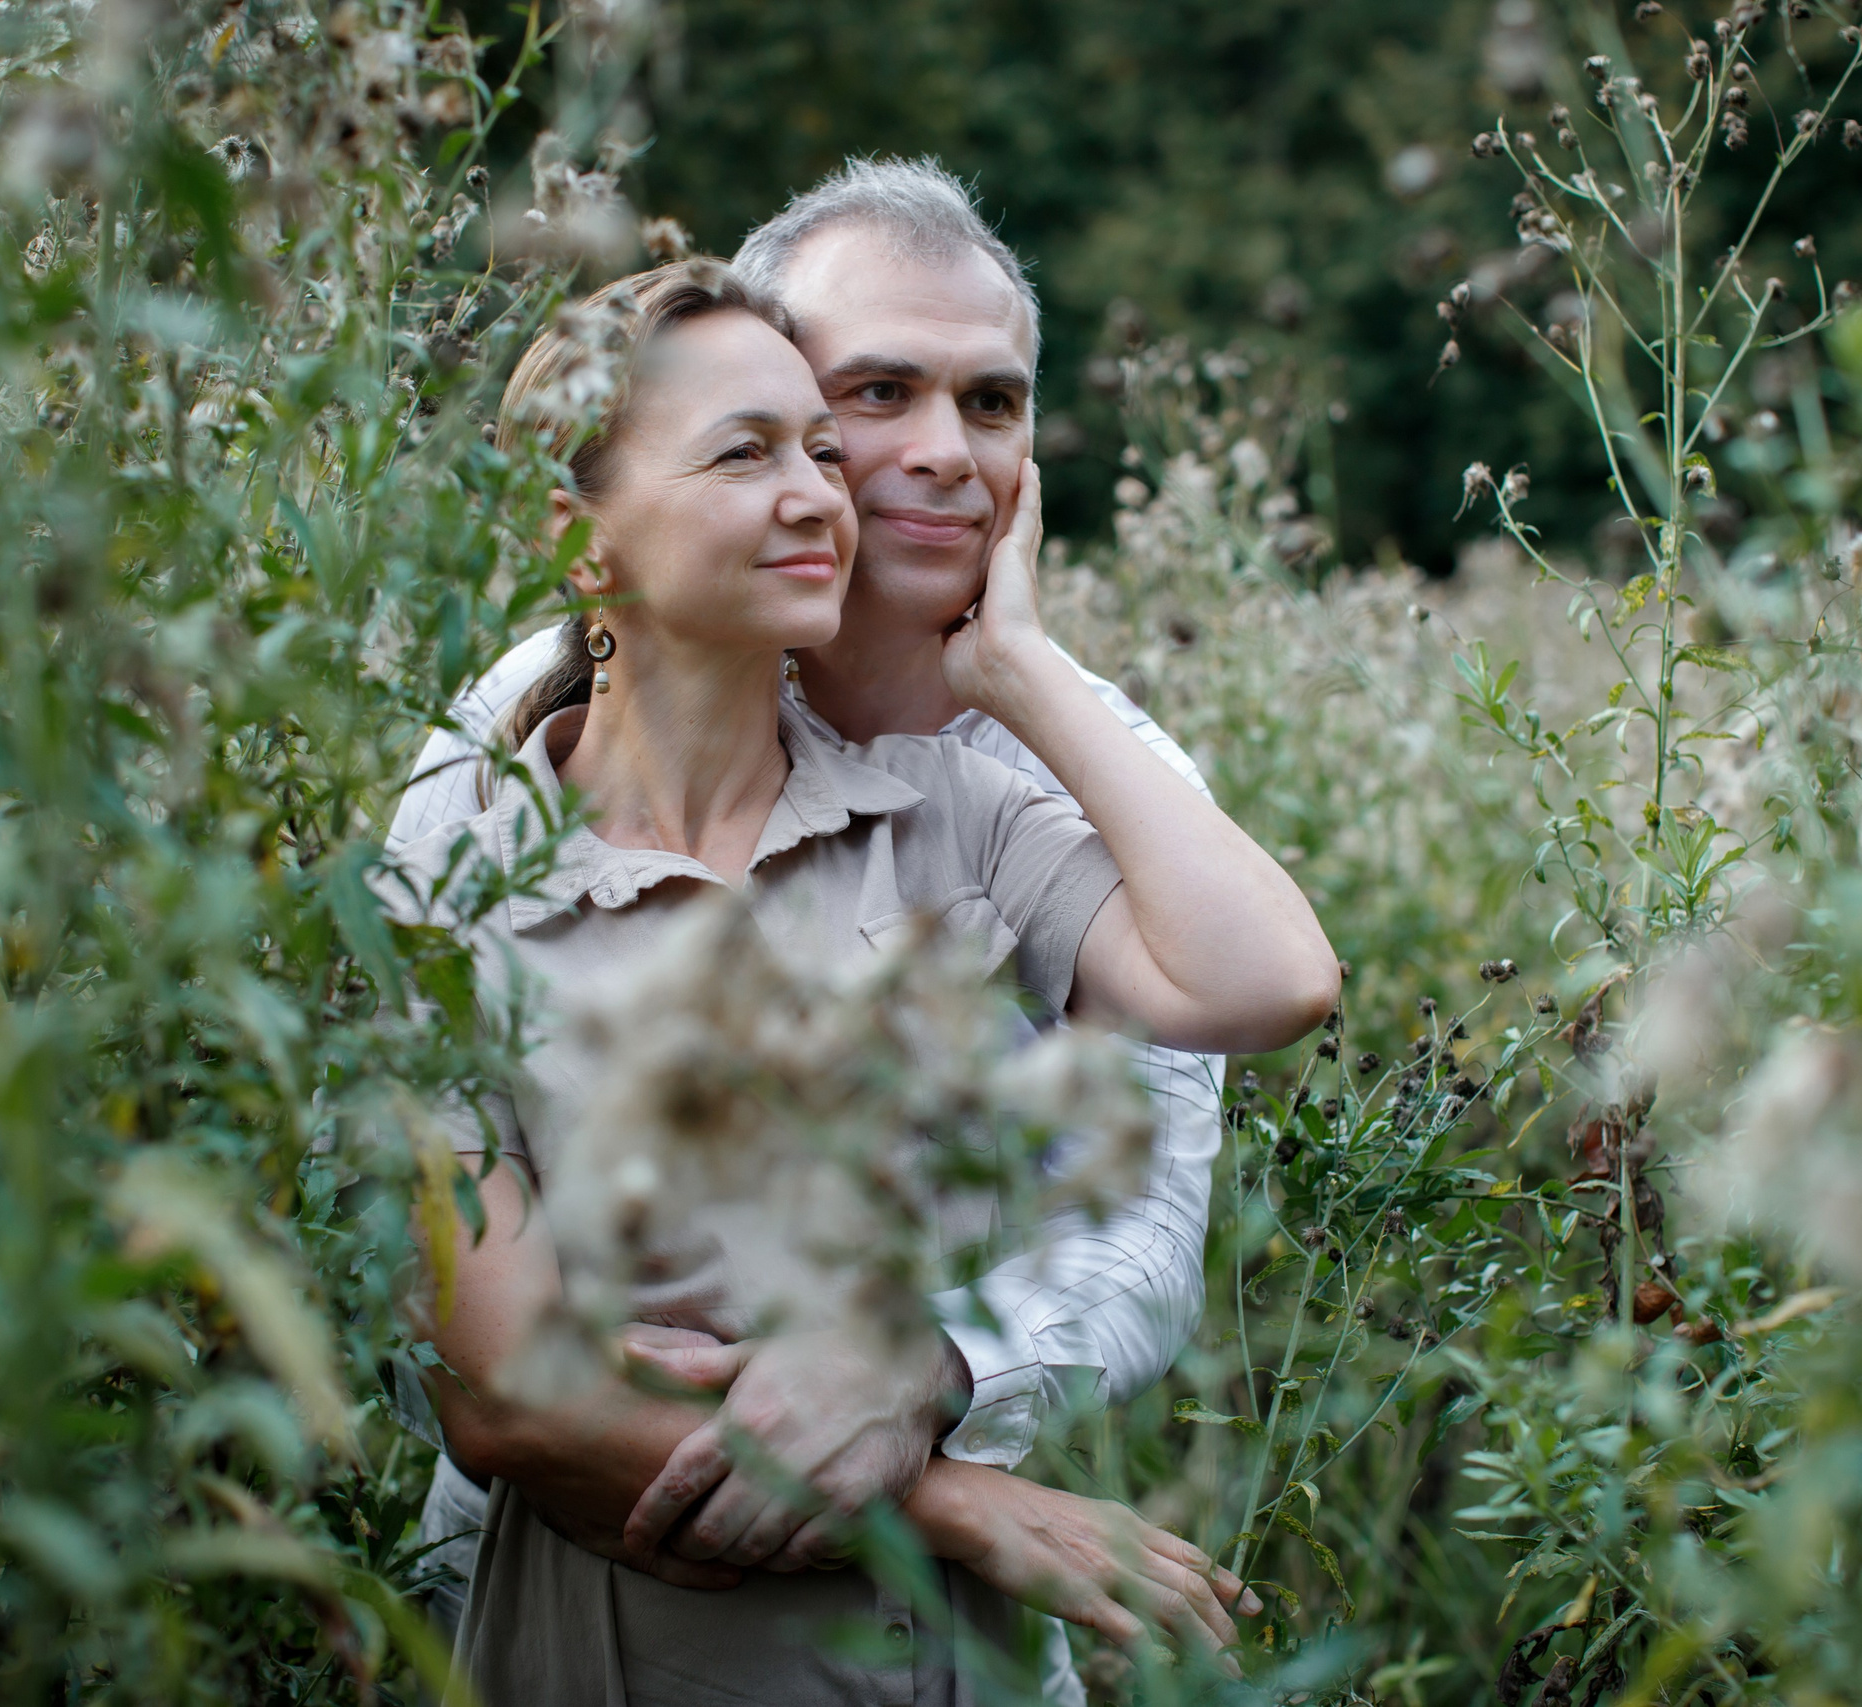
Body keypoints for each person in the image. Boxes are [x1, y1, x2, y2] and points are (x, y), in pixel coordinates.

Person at [383, 258, 1336, 1704]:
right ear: (579, 543)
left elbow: (1268, 986)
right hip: (598, 1638)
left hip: (936, 1661)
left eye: (821, 449)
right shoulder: (463, 846)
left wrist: (1019, 667)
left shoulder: (964, 808)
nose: (834, 488)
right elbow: (502, 1390)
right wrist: (957, 1503)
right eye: (773, 440)